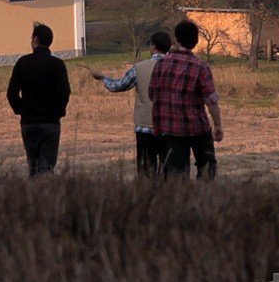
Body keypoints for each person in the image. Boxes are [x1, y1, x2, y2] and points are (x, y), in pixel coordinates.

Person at [148, 19, 224, 179]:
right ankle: (203, 199)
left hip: (171, 129)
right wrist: (218, 125)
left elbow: (151, 94)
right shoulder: (200, 67)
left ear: (176, 39)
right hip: (198, 128)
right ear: (196, 41)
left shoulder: (160, 65)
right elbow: (211, 100)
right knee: (207, 167)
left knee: (176, 175)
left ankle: (180, 201)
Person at [90, 30, 171, 178]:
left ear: (153, 47)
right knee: (169, 174)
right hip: (171, 128)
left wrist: (102, 77)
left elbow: (119, 85)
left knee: (146, 174)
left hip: (145, 128)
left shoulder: (140, 67)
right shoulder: (176, 67)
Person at [6, 23, 71, 177]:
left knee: (33, 166)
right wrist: (57, 112)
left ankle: (33, 197)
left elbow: (11, 93)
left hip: (28, 122)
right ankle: (46, 197)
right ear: (50, 42)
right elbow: (65, 92)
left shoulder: (23, 63)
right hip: (50, 123)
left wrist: (21, 110)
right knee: (46, 168)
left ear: (35, 40)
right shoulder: (57, 65)